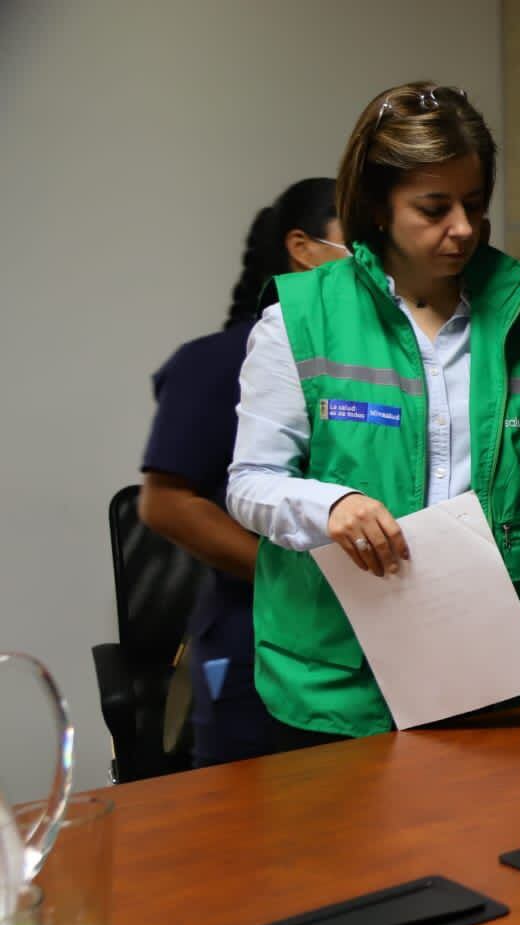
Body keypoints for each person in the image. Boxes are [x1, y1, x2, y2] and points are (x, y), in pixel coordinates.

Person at [227, 81, 520, 739]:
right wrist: (331, 507)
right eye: (434, 208)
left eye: (475, 204)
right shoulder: (299, 320)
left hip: (475, 660)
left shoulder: (519, 319)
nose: (462, 228)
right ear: (377, 208)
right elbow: (250, 484)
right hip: (334, 673)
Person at [141, 178, 349, 766]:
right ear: (302, 248)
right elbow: (164, 503)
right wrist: (292, 578)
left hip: (363, 637)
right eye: (357, 239)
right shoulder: (217, 362)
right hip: (257, 638)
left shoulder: (375, 361)